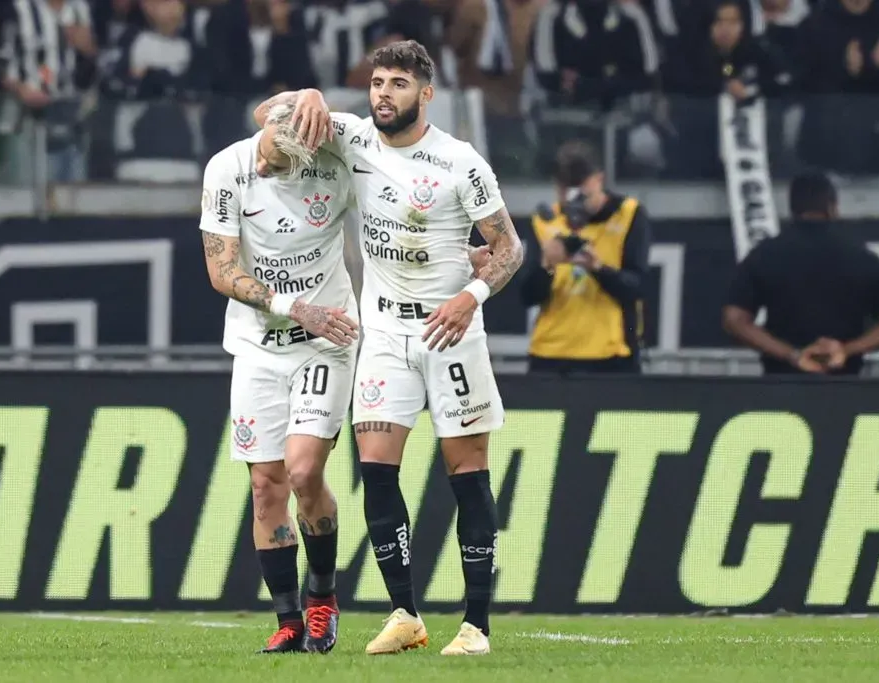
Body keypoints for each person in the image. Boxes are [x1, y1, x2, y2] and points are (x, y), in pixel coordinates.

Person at [253, 39, 525, 656]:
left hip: (450, 330)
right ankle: (405, 612)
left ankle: (476, 625)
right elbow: (264, 118)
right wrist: (312, 97)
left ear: (426, 94)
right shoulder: (351, 137)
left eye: (398, 84)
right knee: (376, 470)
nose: (384, 94)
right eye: (378, 82)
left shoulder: (460, 163)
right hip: (382, 332)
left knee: (467, 472)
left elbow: (509, 247)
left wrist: (471, 296)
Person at [199, 101, 360, 654]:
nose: (263, 169)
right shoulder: (229, 167)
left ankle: (323, 599)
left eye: (277, 166)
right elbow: (221, 270)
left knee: (302, 471)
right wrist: (294, 307)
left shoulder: (340, 157)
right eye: (264, 152)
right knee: (266, 485)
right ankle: (289, 620)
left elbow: (401, 187)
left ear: (309, 153)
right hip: (257, 346)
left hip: (325, 339)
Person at [723, 172, 879, 375]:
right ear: (833, 208)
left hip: (781, 387)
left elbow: (735, 320)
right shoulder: (862, 258)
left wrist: (793, 355)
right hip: (845, 390)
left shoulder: (764, 255)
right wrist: (845, 350)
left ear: (792, 209)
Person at [518, 140, 651, 374]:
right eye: (565, 193)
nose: (574, 204)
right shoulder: (544, 220)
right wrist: (546, 266)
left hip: (611, 356)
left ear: (599, 179)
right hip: (551, 355)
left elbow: (638, 287)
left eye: (582, 194)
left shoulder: (628, 214)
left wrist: (599, 269)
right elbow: (527, 297)